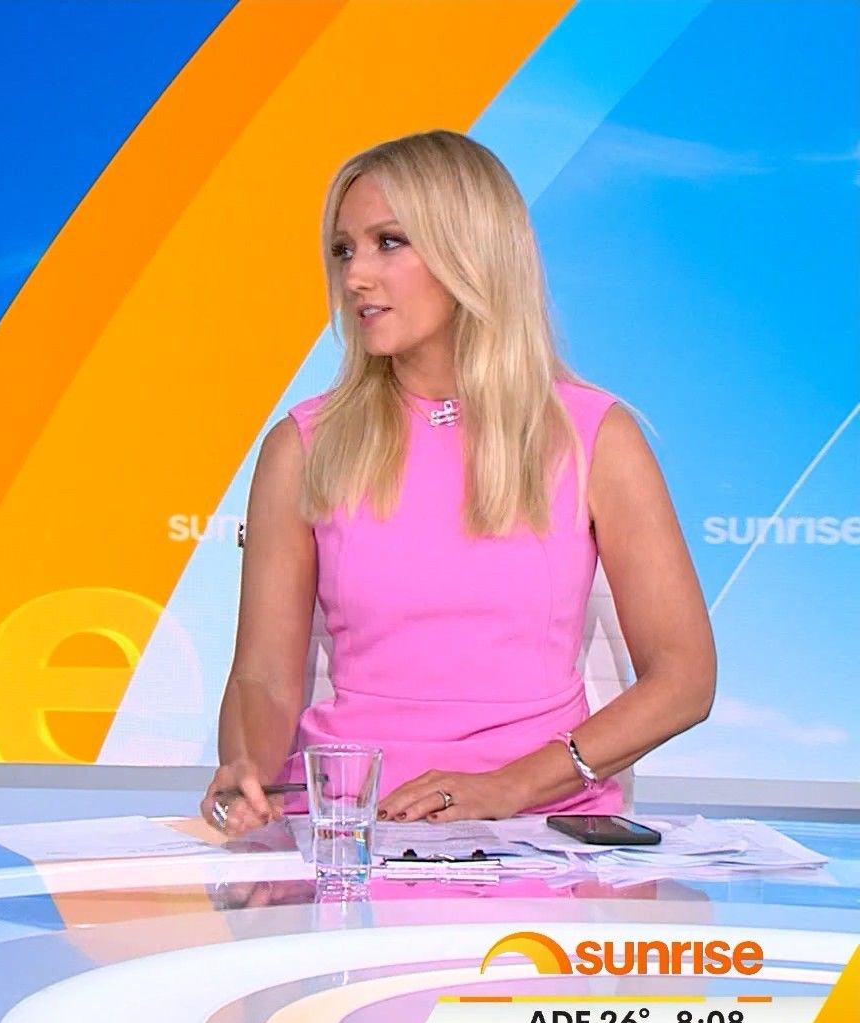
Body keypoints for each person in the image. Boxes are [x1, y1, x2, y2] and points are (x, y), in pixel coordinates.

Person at [201, 130, 715, 835]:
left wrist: (509, 786)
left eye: (388, 242)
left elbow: (684, 678)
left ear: (470, 251)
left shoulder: (596, 436)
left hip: (541, 836)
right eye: (344, 250)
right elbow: (262, 675)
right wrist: (246, 768)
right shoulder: (301, 446)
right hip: (351, 832)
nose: (355, 277)